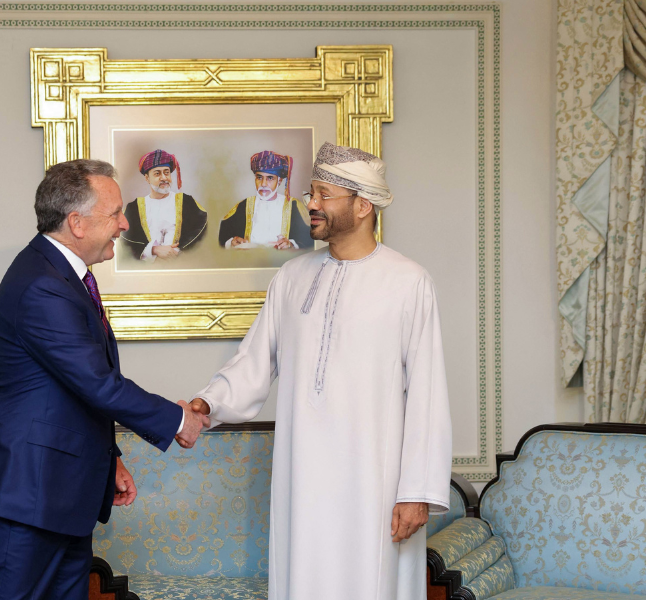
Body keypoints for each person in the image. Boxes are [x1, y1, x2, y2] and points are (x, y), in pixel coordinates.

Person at [189, 141, 453, 599]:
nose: (309, 204)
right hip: (303, 475)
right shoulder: (291, 278)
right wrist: (206, 402)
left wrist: (417, 491)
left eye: (323, 194)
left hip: (376, 481)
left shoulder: (409, 282)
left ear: (363, 205)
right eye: (310, 193)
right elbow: (255, 360)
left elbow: (429, 393)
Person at [0, 159, 210, 600]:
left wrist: (107, 458)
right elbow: (97, 383)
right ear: (76, 222)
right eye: (114, 214)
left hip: (59, 493)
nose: (123, 223)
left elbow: (71, 390)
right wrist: (175, 419)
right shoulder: (42, 285)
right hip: (26, 495)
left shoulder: (61, 276)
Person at [121, 149, 207, 261]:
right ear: (147, 178)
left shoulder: (186, 202)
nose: (164, 178)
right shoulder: (133, 208)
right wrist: (153, 250)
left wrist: (176, 251)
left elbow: (201, 229)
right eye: (157, 173)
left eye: (166, 172)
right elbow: (125, 241)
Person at [218, 150, 313, 250]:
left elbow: (309, 240)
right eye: (259, 177)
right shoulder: (244, 205)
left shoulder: (293, 206)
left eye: (270, 178)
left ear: (279, 181)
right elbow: (223, 236)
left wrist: (291, 244)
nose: (263, 184)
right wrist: (231, 242)